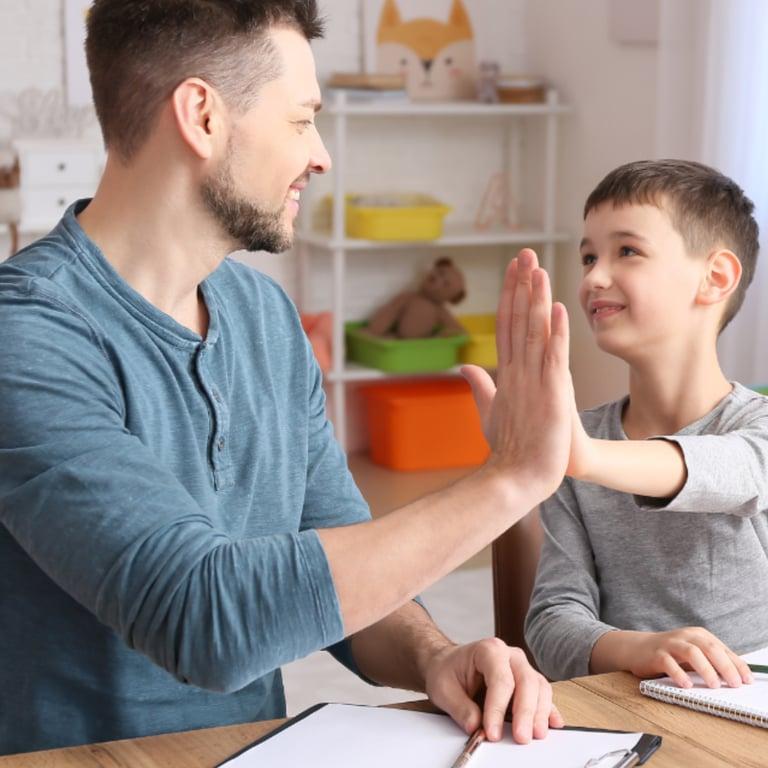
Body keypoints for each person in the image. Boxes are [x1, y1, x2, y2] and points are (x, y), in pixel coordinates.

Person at [0, 0, 572, 755]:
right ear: (201, 116)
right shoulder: (28, 334)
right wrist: (510, 480)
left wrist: (436, 657)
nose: (321, 154)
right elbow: (205, 619)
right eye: (302, 120)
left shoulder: (265, 317)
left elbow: (344, 565)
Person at [524, 159, 768, 689]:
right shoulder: (579, 448)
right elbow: (550, 625)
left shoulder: (758, 429)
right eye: (588, 257)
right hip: (622, 703)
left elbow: (734, 471)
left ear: (715, 277)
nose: (594, 276)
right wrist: (641, 649)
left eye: (627, 252)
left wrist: (583, 457)